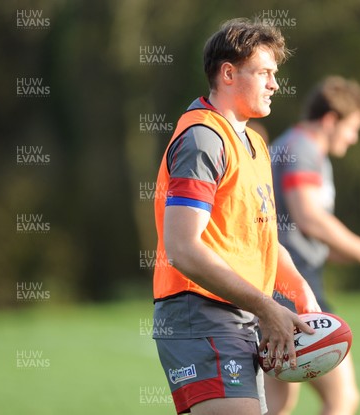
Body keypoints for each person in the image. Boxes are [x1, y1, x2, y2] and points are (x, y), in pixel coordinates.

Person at [152, 18, 320, 415]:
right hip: (200, 312)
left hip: (237, 316)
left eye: (275, 74)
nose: (275, 84)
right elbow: (182, 248)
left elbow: (260, 238)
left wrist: (300, 292)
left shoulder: (256, 144)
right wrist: (266, 306)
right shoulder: (203, 139)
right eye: (264, 72)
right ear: (228, 73)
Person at [265, 76, 360, 415]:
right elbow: (308, 217)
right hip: (292, 285)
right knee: (342, 398)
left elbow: (317, 240)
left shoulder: (303, 148)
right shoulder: (302, 148)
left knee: (276, 402)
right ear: (331, 120)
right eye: (353, 127)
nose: (355, 137)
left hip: (281, 281)